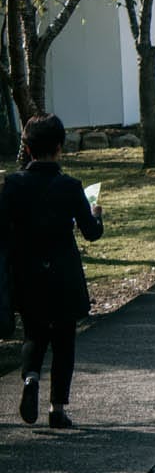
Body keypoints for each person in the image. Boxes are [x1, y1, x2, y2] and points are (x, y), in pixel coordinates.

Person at [2, 114, 105, 429]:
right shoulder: (70, 186)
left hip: (27, 271)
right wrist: (96, 215)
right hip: (63, 273)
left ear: (28, 148)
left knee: (34, 331)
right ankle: (56, 409)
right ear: (59, 147)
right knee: (64, 340)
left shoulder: (13, 185)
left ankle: (31, 378)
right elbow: (91, 233)